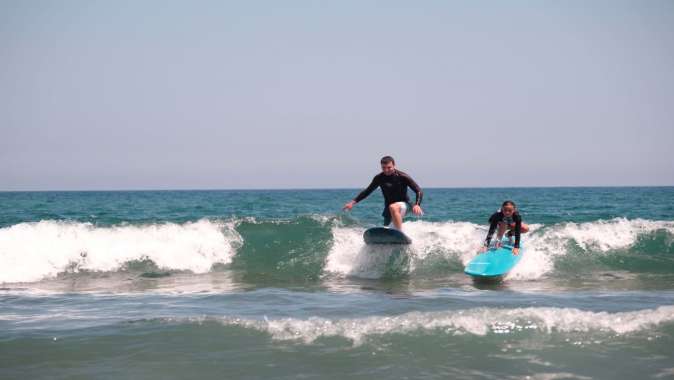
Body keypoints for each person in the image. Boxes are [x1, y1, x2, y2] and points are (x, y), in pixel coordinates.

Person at [342, 156, 423, 230]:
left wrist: (417, 204)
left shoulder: (403, 176)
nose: (386, 170)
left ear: (394, 165)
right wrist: (352, 202)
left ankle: (400, 232)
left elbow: (418, 191)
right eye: (383, 168)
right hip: (388, 208)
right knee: (386, 229)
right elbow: (368, 191)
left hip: (405, 205)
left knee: (393, 207)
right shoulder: (379, 178)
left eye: (389, 167)